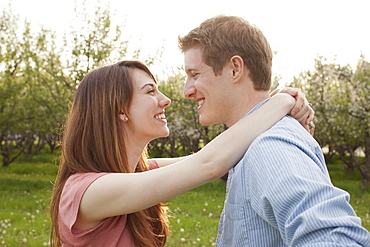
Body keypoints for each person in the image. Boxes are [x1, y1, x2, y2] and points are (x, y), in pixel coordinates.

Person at [49, 60, 312, 247]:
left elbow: (225, 156)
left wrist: (272, 108)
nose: (166, 100)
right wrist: (283, 101)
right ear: (120, 110)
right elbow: (208, 164)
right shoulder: (85, 192)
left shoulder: (140, 172)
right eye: (150, 91)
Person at [178, 15, 370, 246]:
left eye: (195, 74)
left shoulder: (270, 145)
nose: (186, 91)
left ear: (235, 69)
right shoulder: (246, 143)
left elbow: (335, 240)